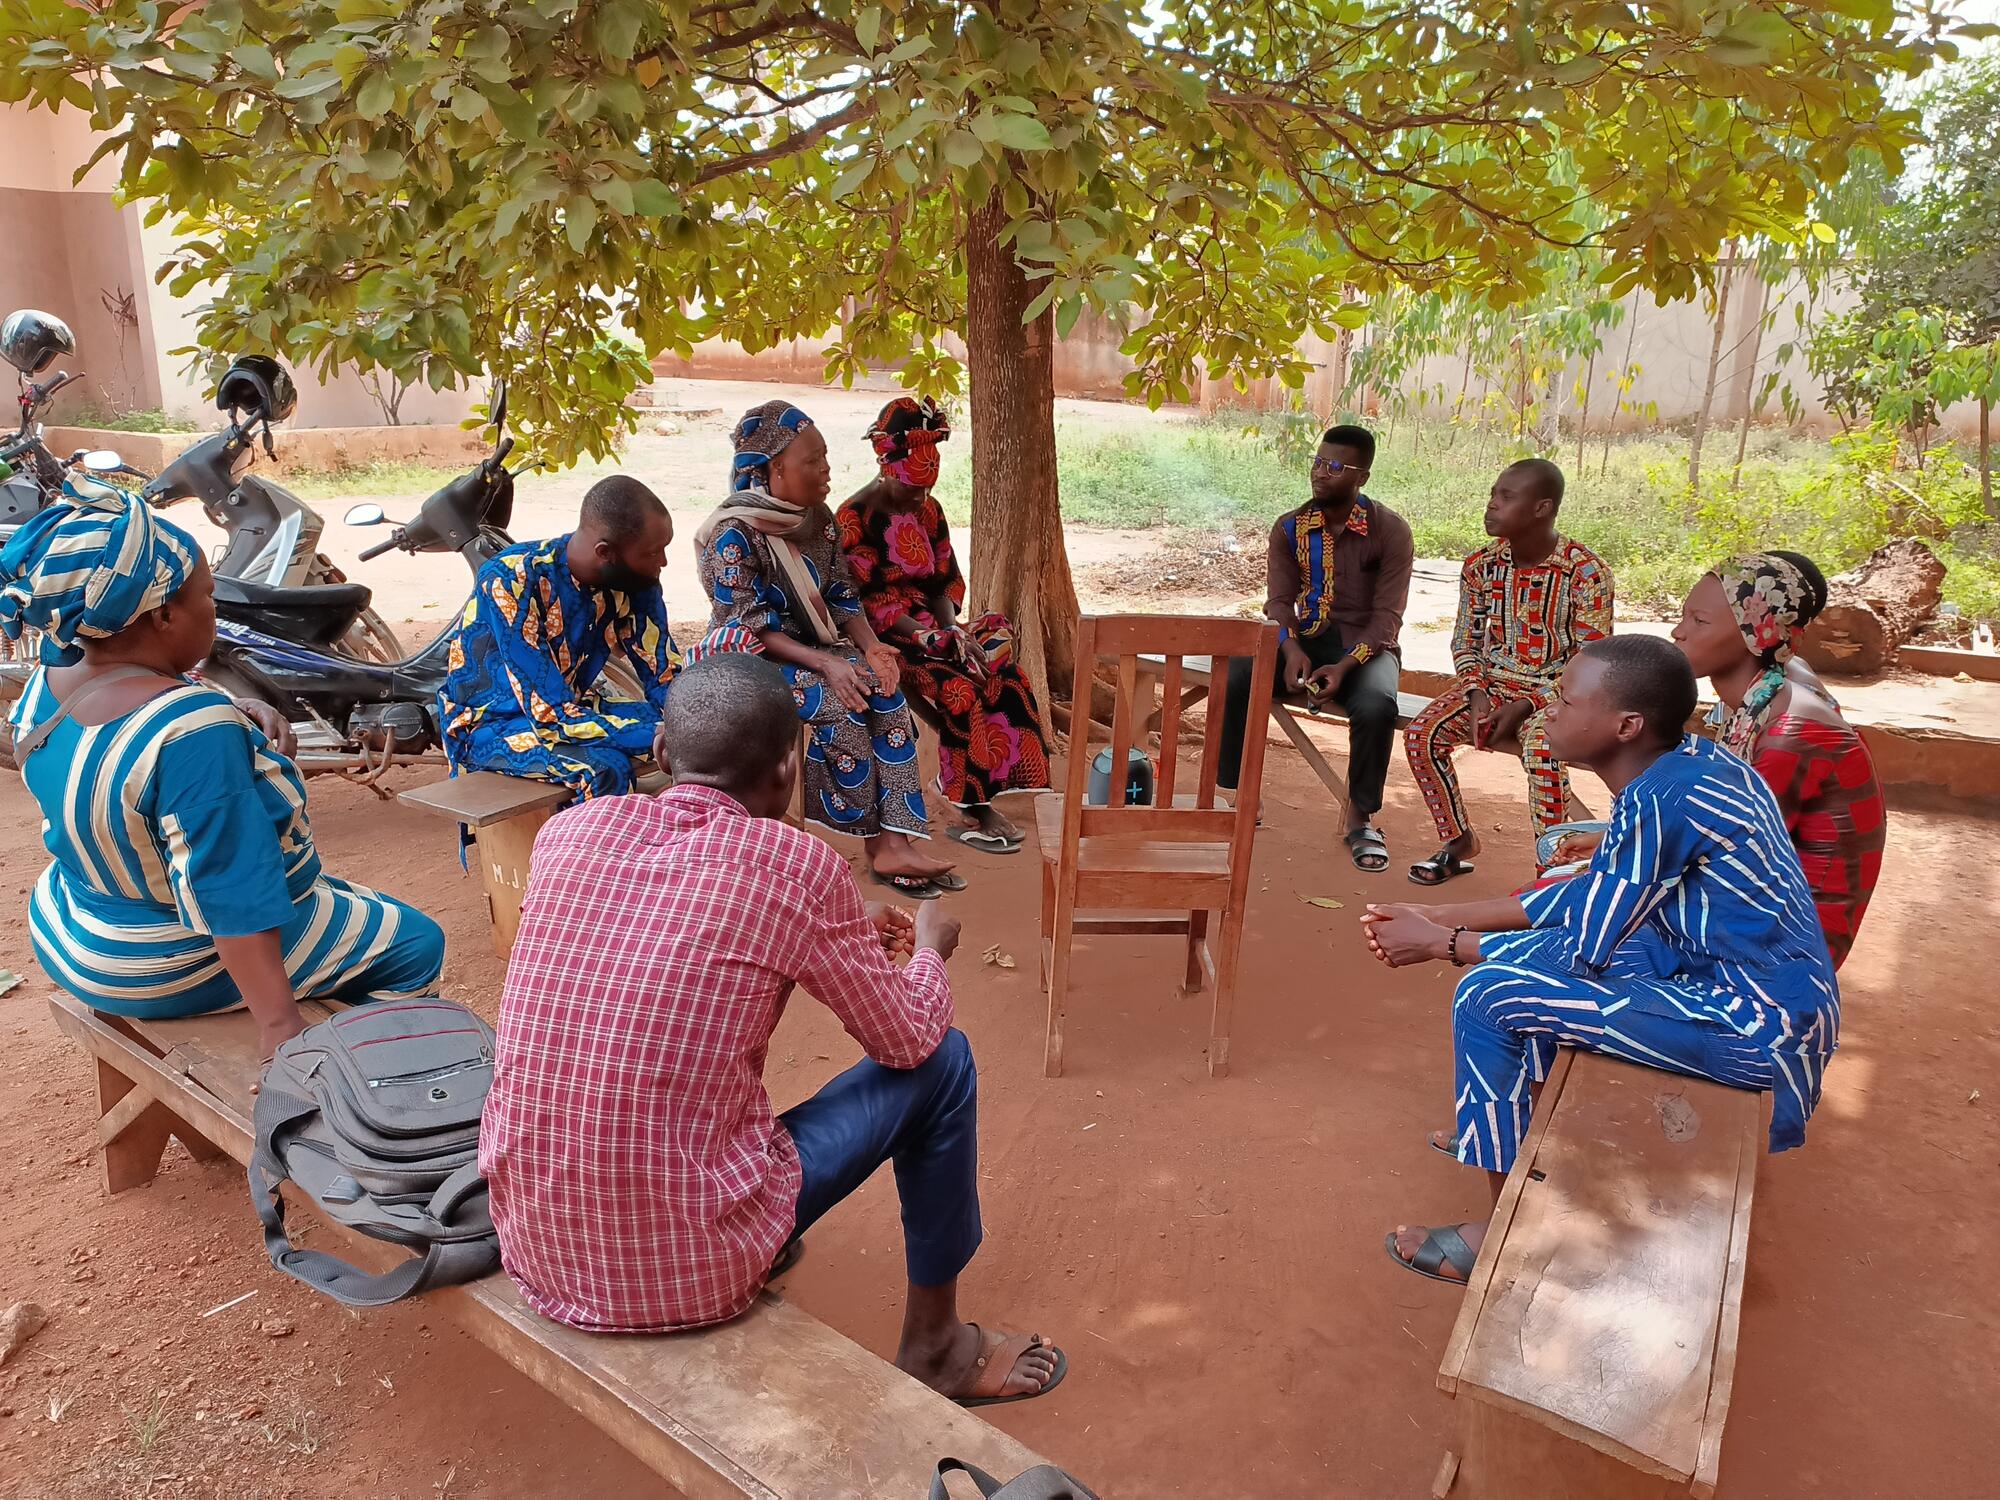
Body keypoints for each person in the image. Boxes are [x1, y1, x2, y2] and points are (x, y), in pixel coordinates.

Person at [480, 653, 1065, 1406]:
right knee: (945, 1063)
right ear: (792, 768)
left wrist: (842, 930)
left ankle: (784, 1252)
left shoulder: (569, 835)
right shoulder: (794, 863)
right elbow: (908, 1040)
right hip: (693, 1263)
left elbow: (671, 930)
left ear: (662, 753)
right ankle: (939, 1348)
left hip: (535, 1243)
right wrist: (927, 954)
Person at [1361, 636, 1836, 1284]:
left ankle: (1512, 1239)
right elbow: (1591, 898)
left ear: (1626, 725)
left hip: (1752, 1027)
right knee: (1535, 956)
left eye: (1564, 698)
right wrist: (1447, 916)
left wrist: (1439, 944)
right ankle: (1520, 1129)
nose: (1546, 709)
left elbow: (1590, 946)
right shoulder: (1688, 766)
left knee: (1489, 994)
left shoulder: (1657, 801)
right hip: (1740, 986)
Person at [1, 480, 443, 1058]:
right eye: (208, 596)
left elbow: (133, 725)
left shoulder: (46, 683)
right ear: (162, 616)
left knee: (334, 898)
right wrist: (280, 1026)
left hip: (75, 925)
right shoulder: (194, 733)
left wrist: (236, 710)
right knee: (413, 943)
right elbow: (232, 895)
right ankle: (362, 1076)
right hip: (164, 954)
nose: (214, 608)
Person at [1539, 552, 1884, 971]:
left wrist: (1606, 860)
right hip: (1746, 894)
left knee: (1558, 910)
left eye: (1698, 622)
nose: (1678, 632)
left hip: (1786, 941)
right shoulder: (1769, 688)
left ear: (1753, 633)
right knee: (1565, 862)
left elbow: (1726, 850)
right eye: (1684, 617)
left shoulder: (1789, 736)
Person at [695, 398, 957, 898]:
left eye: (826, 457)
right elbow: (750, 626)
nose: (826, 469)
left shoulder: (819, 521)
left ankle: (895, 840)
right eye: (812, 461)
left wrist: (873, 648)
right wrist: (830, 664)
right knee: (845, 704)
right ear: (775, 470)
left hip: (820, 647)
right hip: (755, 657)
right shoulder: (733, 537)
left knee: (886, 694)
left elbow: (842, 596)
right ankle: (868, 840)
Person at [835, 396, 1051, 852]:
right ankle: (965, 804)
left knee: (1004, 671)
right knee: (962, 692)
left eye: (927, 491)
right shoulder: (855, 517)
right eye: (912, 491)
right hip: (885, 637)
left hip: (935, 628)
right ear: (888, 471)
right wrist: (925, 636)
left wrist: (952, 630)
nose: (921, 500)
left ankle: (995, 786)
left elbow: (944, 580)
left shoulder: (928, 511)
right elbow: (862, 600)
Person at [1403, 459, 1612, 885]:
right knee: (1421, 735)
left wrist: (1526, 704)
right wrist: (1477, 695)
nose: (1491, 504)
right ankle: (1458, 840)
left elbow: (1591, 664)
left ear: (1542, 508)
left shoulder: (1586, 573)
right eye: (1493, 494)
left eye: (1506, 497)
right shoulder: (1480, 565)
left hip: (1559, 695)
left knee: (1543, 749)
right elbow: (1466, 641)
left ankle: (1551, 872)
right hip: (1492, 686)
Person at [1216, 423, 1414, 871]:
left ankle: (1360, 818)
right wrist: (1288, 650)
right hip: (1304, 639)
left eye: (1335, 466)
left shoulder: (1390, 532)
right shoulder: (1290, 527)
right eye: (1318, 462)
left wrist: (1344, 667)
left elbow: (1388, 618)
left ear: (1361, 476)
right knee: (1239, 672)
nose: (1320, 473)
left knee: (1378, 703)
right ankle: (1241, 796)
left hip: (1365, 648)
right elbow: (1278, 602)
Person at [437, 475, 678, 799]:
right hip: (489, 726)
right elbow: (549, 715)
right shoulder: (511, 579)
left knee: (704, 734)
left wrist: (691, 722)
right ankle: (573, 850)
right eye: (653, 553)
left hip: (571, 709)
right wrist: (660, 735)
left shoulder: (636, 580)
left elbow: (664, 674)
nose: (662, 562)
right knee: (604, 769)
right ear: (605, 552)